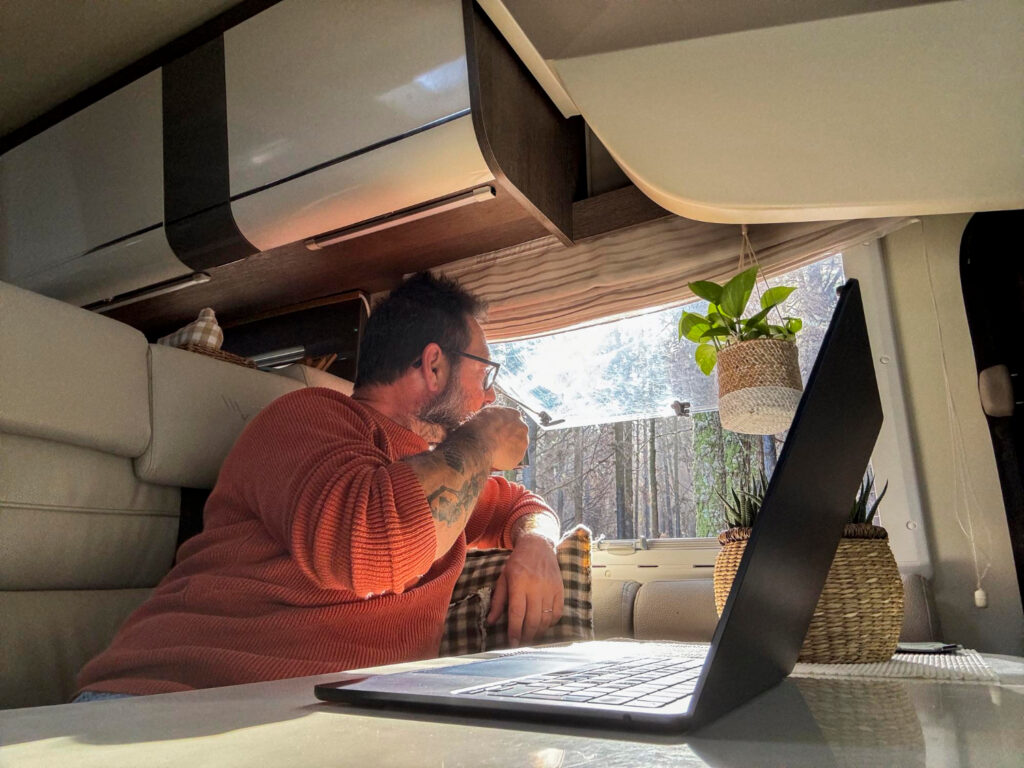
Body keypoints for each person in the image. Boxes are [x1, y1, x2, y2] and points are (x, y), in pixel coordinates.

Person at [74, 272, 563, 699]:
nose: (491, 393)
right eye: (485, 372)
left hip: (312, 723)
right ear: (434, 365)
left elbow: (521, 505)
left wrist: (537, 543)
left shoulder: (440, 472)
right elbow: (370, 545)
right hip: (171, 706)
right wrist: (480, 441)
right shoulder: (306, 418)